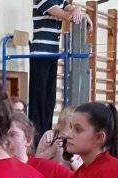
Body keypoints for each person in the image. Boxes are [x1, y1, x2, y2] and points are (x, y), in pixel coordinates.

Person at [28, 1, 92, 140]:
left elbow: (70, 8)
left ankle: (45, 136)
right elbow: (65, 14)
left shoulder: (60, 1)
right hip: (40, 53)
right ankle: (36, 140)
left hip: (53, 54)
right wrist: (79, 14)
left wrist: (79, 10)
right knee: (39, 99)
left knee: (49, 100)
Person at [36, 106, 84, 170]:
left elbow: (82, 169)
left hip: (69, 175)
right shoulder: (49, 135)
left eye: (77, 127)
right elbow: (36, 161)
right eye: (70, 126)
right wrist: (51, 150)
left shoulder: (79, 140)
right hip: (49, 173)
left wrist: (71, 157)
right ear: (62, 123)